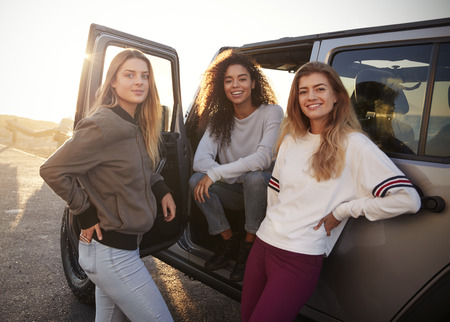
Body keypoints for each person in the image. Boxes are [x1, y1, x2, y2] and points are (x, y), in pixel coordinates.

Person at [241, 61, 421, 322]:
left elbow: (408, 199)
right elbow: (275, 192)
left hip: (298, 258)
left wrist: (344, 210)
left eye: (319, 89)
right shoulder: (291, 140)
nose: (311, 97)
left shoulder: (355, 144)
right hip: (263, 246)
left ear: (336, 95)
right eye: (303, 91)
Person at [40, 49, 175, 322]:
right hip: (113, 255)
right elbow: (52, 170)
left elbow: (141, 168)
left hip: (121, 250)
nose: (139, 82)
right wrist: (85, 213)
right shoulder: (102, 125)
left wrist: (161, 189)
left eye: (145, 76)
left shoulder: (133, 124)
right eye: (129, 75)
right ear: (113, 81)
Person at [189, 49, 284, 282]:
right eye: (228, 80)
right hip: (235, 191)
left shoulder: (272, 112)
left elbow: (263, 159)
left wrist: (217, 173)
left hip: (264, 192)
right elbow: (199, 161)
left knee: (254, 178)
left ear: (253, 83)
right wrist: (221, 176)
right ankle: (228, 240)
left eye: (242, 78)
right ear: (222, 86)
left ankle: (248, 248)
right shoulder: (220, 119)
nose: (235, 85)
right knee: (196, 181)